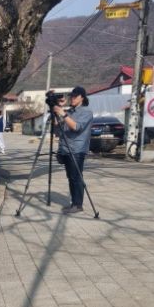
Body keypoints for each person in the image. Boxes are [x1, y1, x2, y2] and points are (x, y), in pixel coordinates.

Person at [52, 86, 93, 214]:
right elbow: (57, 125)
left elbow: (76, 127)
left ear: (82, 97)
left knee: (76, 177)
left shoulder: (86, 112)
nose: (73, 98)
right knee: (71, 177)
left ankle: (78, 204)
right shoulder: (69, 111)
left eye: (75, 96)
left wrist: (63, 113)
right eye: (71, 96)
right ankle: (74, 203)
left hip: (77, 149)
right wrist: (57, 110)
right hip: (65, 149)